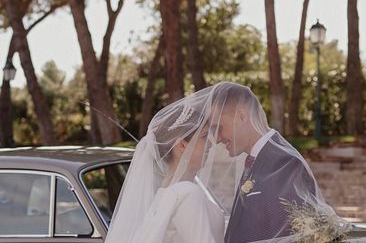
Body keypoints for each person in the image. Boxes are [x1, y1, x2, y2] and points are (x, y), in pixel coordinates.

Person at [207, 82, 338, 243]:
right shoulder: (257, 159)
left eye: (219, 128)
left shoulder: (285, 163)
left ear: (241, 116)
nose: (218, 138)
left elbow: (292, 234)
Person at [105, 93, 225, 243]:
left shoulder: (162, 194)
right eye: (204, 136)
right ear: (182, 145)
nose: (211, 144)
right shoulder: (188, 194)